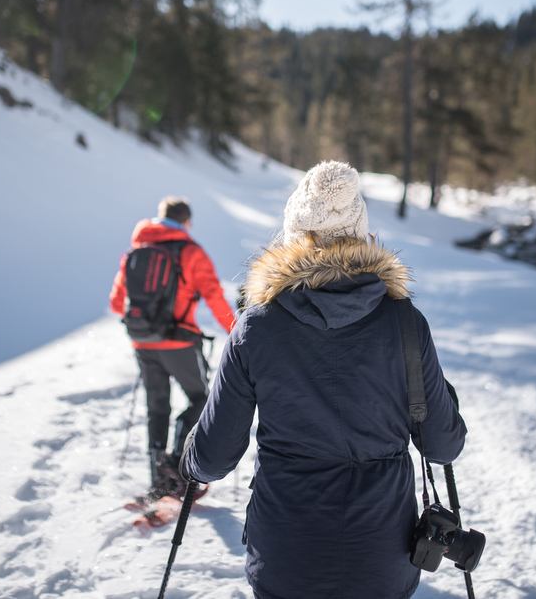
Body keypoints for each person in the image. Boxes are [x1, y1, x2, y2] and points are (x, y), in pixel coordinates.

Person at [181, 161, 467, 599]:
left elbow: (213, 458)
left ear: (293, 235)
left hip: (286, 558)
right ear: (360, 235)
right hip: (381, 560)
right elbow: (444, 444)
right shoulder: (404, 323)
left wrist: (190, 460)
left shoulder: (257, 327)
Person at [109, 196, 236, 497]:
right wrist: (236, 330)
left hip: (142, 340)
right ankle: (179, 469)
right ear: (186, 221)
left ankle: (157, 477)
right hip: (178, 341)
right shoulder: (190, 252)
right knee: (200, 399)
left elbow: (117, 304)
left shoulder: (137, 251)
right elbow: (214, 297)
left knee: (157, 406)